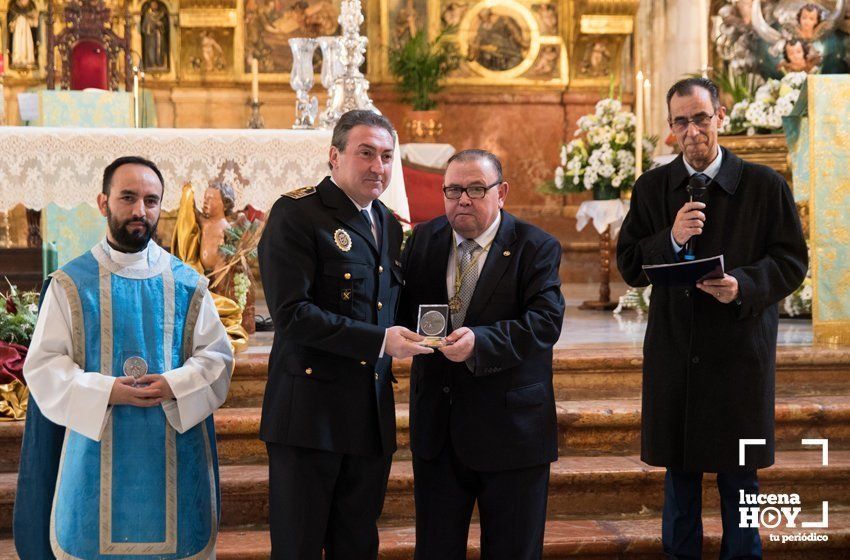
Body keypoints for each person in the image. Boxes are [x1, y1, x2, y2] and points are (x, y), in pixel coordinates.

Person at [616, 78, 808, 559]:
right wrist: (672, 239)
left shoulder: (765, 185)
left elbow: (791, 262)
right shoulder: (654, 187)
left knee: (741, 479)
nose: (692, 129)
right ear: (670, 129)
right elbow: (630, 265)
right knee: (679, 478)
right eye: (681, 121)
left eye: (701, 117)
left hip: (740, 354)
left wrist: (744, 284)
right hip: (676, 352)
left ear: (721, 116)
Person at [14, 156, 234, 558]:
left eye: (151, 200)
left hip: (172, 450)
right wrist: (106, 390)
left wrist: (173, 383)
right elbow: (45, 366)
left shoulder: (188, 283)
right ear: (103, 203)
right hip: (92, 454)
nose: (140, 211)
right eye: (128, 198)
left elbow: (217, 358)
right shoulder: (69, 284)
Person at [258, 109, 432, 559]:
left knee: (357, 545)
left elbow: (389, 305)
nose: (379, 167)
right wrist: (380, 342)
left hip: (368, 414)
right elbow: (291, 314)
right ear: (334, 156)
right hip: (310, 414)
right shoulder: (298, 213)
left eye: (388, 156)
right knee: (298, 547)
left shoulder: (390, 223)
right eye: (366, 153)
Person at [399, 149, 565, 559]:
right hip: (437, 430)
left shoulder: (536, 246)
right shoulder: (423, 240)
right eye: (453, 190)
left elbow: (545, 323)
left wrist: (482, 343)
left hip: (511, 432)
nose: (463, 200)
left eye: (476, 189)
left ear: (501, 191)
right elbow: (402, 312)